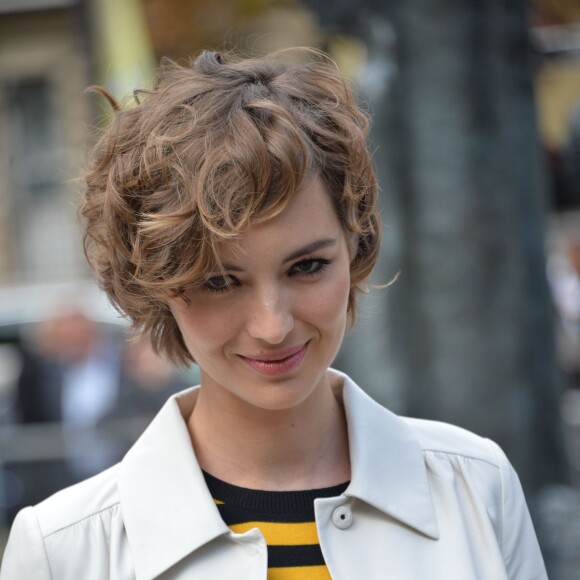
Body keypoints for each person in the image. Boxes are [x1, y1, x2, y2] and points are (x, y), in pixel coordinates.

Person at [0, 49, 547, 579]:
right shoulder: (63, 552)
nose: (273, 324)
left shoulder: (477, 487)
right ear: (156, 283)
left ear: (355, 244)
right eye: (219, 281)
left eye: (307, 266)